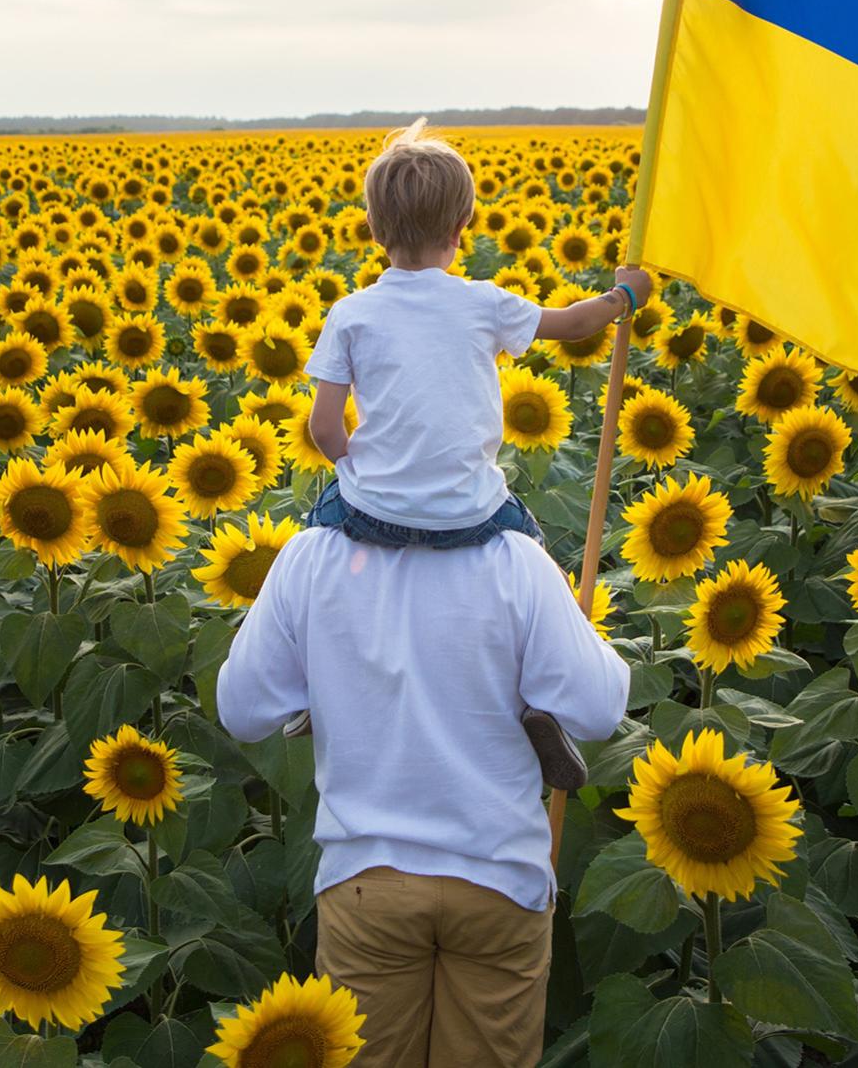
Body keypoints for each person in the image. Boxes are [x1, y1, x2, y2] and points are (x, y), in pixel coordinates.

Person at [215, 119, 640, 1067]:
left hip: (365, 882)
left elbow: (243, 710)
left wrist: (353, 465)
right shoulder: (518, 563)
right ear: (469, 223)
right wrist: (625, 296)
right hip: (498, 879)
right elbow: (603, 708)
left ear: (373, 228)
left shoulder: (314, 559)